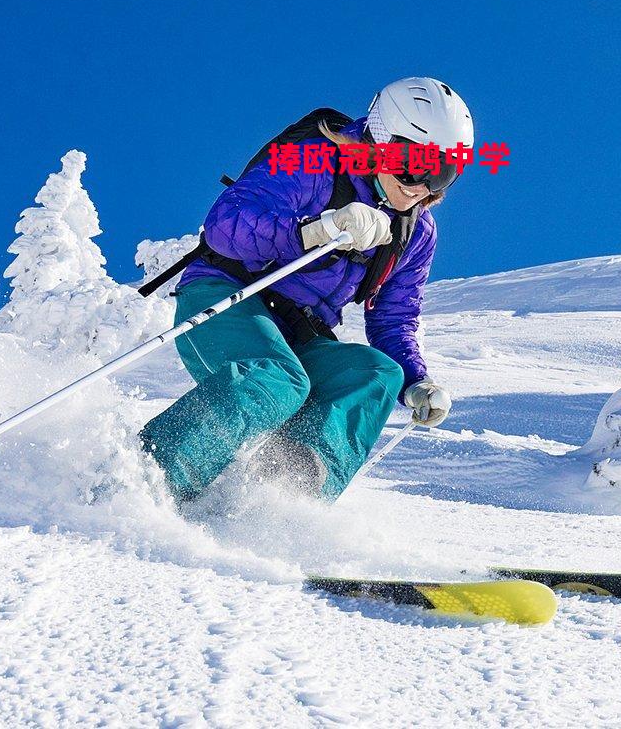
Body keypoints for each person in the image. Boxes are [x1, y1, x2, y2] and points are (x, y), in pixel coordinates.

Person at [138, 77, 472, 502]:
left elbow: (393, 316)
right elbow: (227, 223)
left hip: (299, 332)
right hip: (230, 294)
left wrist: (415, 378)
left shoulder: (415, 231)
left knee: (376, 375)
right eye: (409, 162)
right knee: (276, 379)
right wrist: (317, 230)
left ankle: (281, 500)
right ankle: (147, 480)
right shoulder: (313, 162)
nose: (420, 185)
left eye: (442, 172)